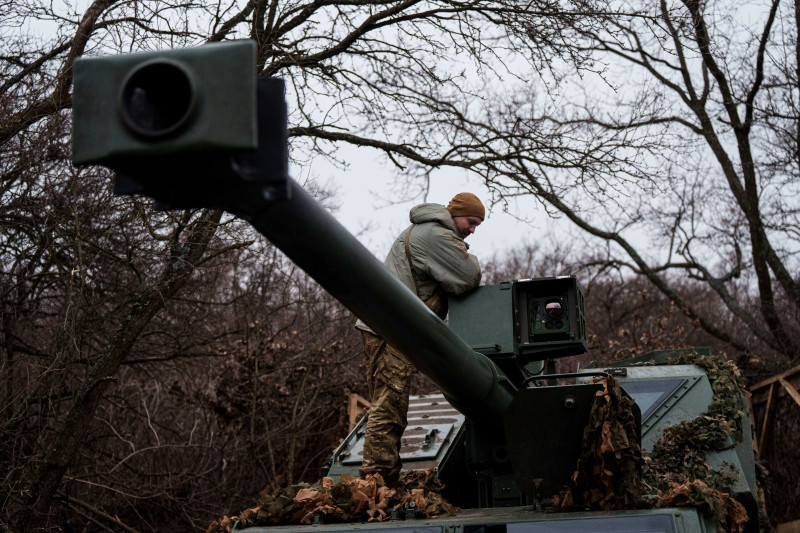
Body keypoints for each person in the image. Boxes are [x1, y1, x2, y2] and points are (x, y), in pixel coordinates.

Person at [354, 192, 485, 485]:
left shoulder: (426, 231)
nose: (473, 229)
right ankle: (378, 479)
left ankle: (380, 475)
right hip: (392, 328)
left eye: (478, 225)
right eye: (471, 221)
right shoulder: (436, 235)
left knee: (387, 402)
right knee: (390, 403)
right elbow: (468, 276)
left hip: (382, 325)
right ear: (455, 214)